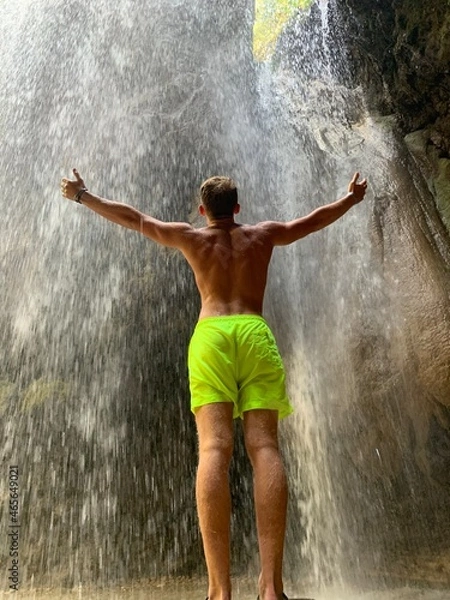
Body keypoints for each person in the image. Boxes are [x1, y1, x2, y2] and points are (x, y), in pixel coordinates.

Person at [60, 169, 367, 600]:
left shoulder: (192, 237)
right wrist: (349, 200)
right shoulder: (263, 235)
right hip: (254, 334)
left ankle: (219, 591)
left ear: (203, 211)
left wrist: (83, 195)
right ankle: (271, 588)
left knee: (213, 450)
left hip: (211, 337)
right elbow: (312, 221)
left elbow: (134, 219)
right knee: (264, 449)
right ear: (238, 208)